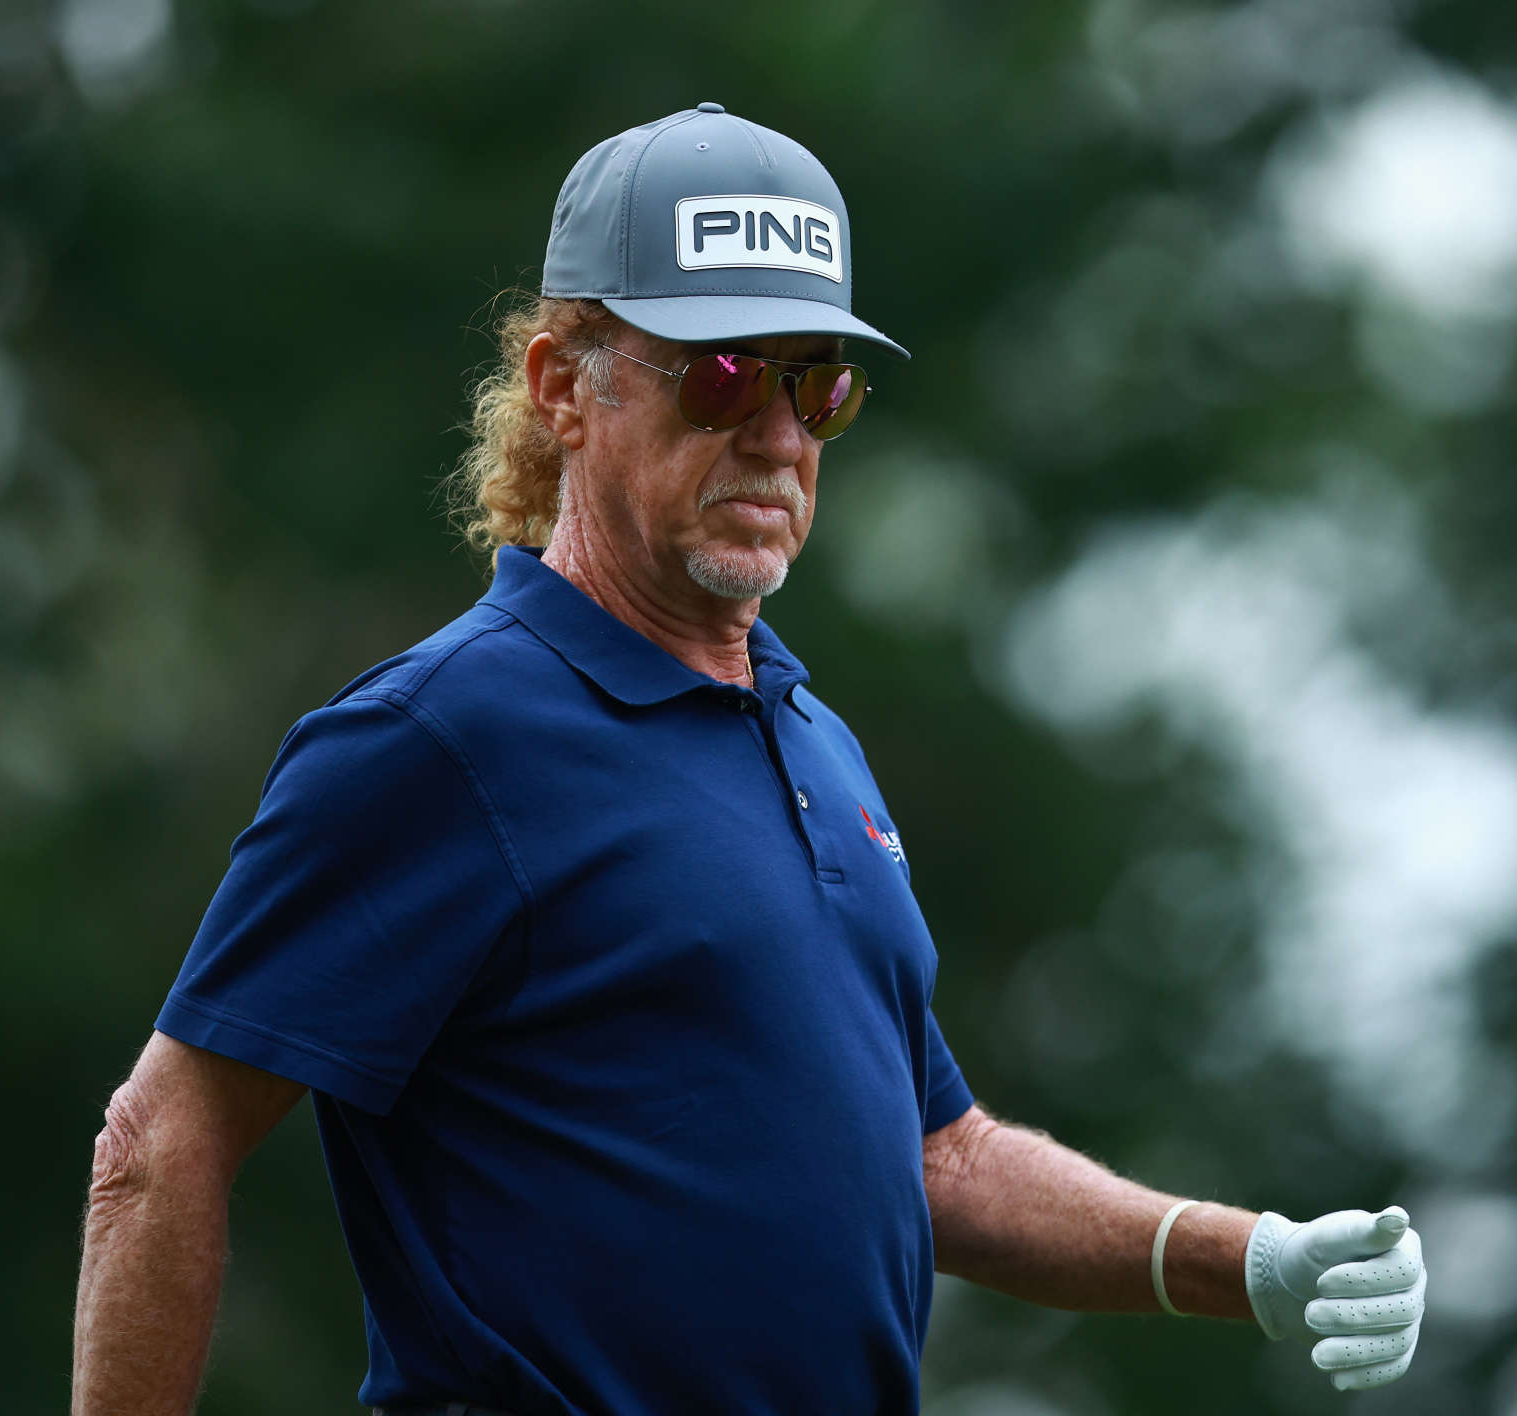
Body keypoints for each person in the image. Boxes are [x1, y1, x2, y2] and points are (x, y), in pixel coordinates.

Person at [71, 104, 1426, 1416]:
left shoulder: (813, 739)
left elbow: (932, 1156)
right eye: (722, 375)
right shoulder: (440, 737)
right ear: (563, 388)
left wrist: (1239, 1258)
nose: (777, 434)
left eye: (815, 384)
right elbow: (160, 1144)